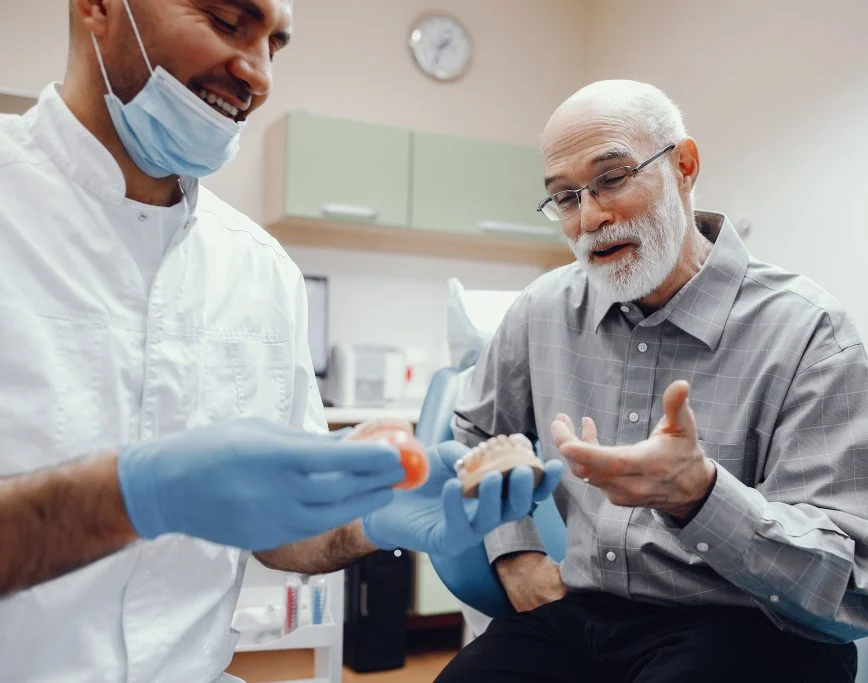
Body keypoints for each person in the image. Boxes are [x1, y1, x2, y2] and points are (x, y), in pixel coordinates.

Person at [0, 1, 561, 681]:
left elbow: (282, 536)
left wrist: (365, 519)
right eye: (225, 19)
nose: (258, 74)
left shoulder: (259, 269)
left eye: (277, 44)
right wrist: (129, 495)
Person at [438, 80, 868, 683]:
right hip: (584, 614)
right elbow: (475, 431)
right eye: (564, 197)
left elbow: (861, 583)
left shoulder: (807, 330)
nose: (590, 218)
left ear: (684, 167)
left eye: (612, 178)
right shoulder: (543, 310)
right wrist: (516, 550)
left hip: (751, 624)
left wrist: (701, 495)